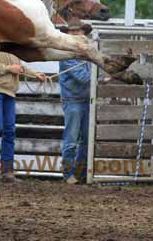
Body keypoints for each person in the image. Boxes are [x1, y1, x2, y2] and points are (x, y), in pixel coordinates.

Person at [0, 52, 46, 182]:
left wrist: (34, 74)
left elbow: (19, 67)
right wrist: (8, 68)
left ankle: (7, 171)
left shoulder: (12, 50)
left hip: (9, 92)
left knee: (9, 130)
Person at [58, 18, 92, 184]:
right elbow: (83, 77)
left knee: (86, 140)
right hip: (73, 100)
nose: (76, 33)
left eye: (79, 31)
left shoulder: (87, 52)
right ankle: (68, 174)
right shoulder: (66, 54)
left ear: (83, 32)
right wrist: (102, 79)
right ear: (68, 34)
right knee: (71, 140)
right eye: (73, 31)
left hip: (85, 99)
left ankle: (80, 173)